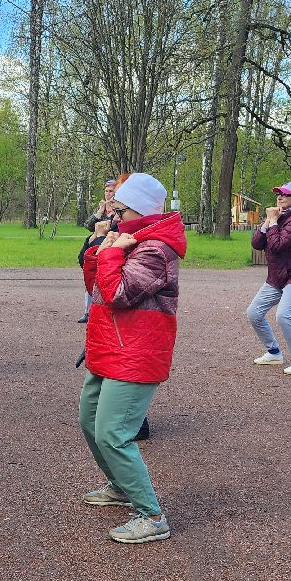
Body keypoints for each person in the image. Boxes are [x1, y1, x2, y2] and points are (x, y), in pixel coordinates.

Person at [78, 172, 185, 544]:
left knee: (112, 433)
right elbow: (95, 287)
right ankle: (121, 486)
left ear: (137, 209)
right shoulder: (131, 240)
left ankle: (151, 515)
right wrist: (100, 249)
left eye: (118, 209)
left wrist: (110, 252)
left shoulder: (155, 249)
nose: (112, 215)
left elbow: (119, 293)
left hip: (136, 352)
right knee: (89, 420)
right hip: (110, 346)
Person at [247, 182, 291, 375]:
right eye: (278, 194)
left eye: (284, 194)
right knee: (254, 313)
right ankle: (274, 352)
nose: (279, 197)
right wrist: (267, 222)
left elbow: (277, 245)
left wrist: (273, 221)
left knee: (283, 316)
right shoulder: (276, 217)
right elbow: (257, 244)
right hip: (277, 276)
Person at [78, 178, 120, 323]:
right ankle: (87, 311)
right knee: (89, 275)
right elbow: (88, 226)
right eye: (106, 191)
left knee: (101, 280)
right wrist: (100, 211)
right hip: (93, 245)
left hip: (108, 247)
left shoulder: (119, 210)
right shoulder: (103, 210)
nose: (108, 194)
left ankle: (96, 311)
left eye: (111, 191)